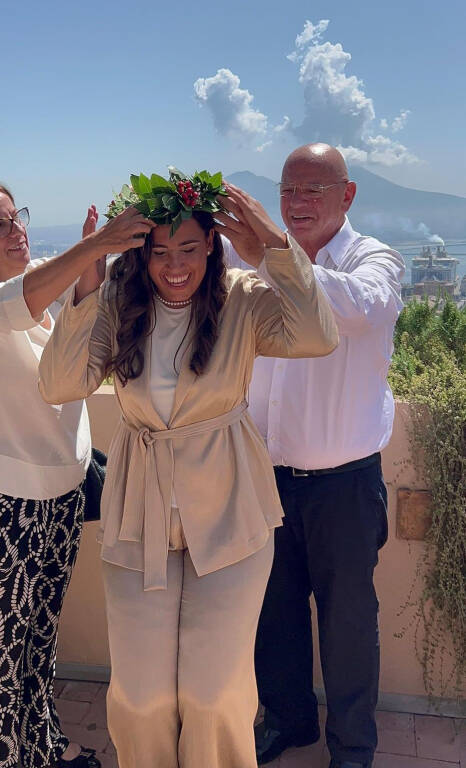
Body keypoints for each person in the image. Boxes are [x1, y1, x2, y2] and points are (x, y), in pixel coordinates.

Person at [38, 168, 339, 768]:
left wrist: (275, 247)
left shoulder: (242, 300)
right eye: (158, 252)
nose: (175, 266)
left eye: (189, 249)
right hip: (138, 518)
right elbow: (59, 383)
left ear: (211, 247)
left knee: (213, 693)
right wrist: (90, 275)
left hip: (230, 511)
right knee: (142, 696)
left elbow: (317, 336)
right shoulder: (119, 306)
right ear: (140, 255)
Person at [0, 179, 152, 768]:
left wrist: (93, 259)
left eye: (17, 217)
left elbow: (77, 326)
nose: (17, 230)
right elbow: (23, 298)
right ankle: (0, 760)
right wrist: (97, 242)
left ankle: (45, 748)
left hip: (58, 496)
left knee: (36, 643)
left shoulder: (40, 308)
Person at [224, 143, 405, 768]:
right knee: (273, 613)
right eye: (287, 190)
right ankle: (289, 720)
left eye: (313, 190)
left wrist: (274, 254)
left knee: (349, 622)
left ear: (347, 195)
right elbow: (184, 267)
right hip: (266, 476)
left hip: (344, 486)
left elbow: (356, 310)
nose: (297, 203)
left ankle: (353, 748)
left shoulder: (374, 259)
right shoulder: (255, 256)